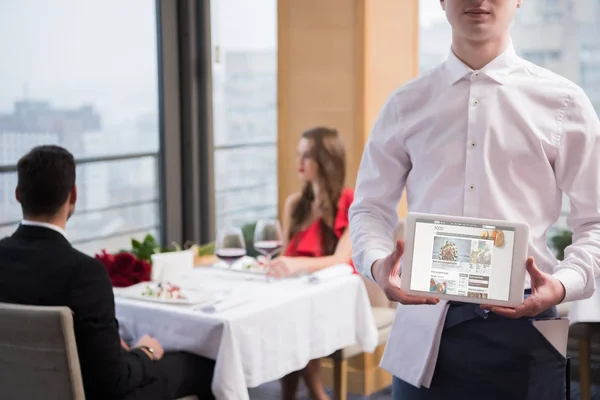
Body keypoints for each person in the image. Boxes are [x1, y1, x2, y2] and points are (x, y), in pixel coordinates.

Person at [349, 1, 600, 399]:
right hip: (425, 329)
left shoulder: (565, 104)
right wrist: (379, 265)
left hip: (528, 330)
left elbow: (596, 222)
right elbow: (369, 208)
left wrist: (564, 284)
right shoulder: (405, 104)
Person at [0, 145, 215, 400]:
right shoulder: (84, 273)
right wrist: (145, 352)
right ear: (74, 195)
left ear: (18, 194)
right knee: (204, 364)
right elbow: (113, 382)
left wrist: (117, 351)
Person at [267, 127, 353, 400]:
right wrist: (278, 264)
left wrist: (296, 265)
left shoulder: (350, 202)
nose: (299, 163)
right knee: (287, 314)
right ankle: (307, 393)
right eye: (298, 155)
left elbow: (341, 259)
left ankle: (309, 392)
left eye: (307, 156)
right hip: (294, 293)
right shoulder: (294, 204)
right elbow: (284, 254)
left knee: (298, 320)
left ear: (327, 162)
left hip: (334, 294)